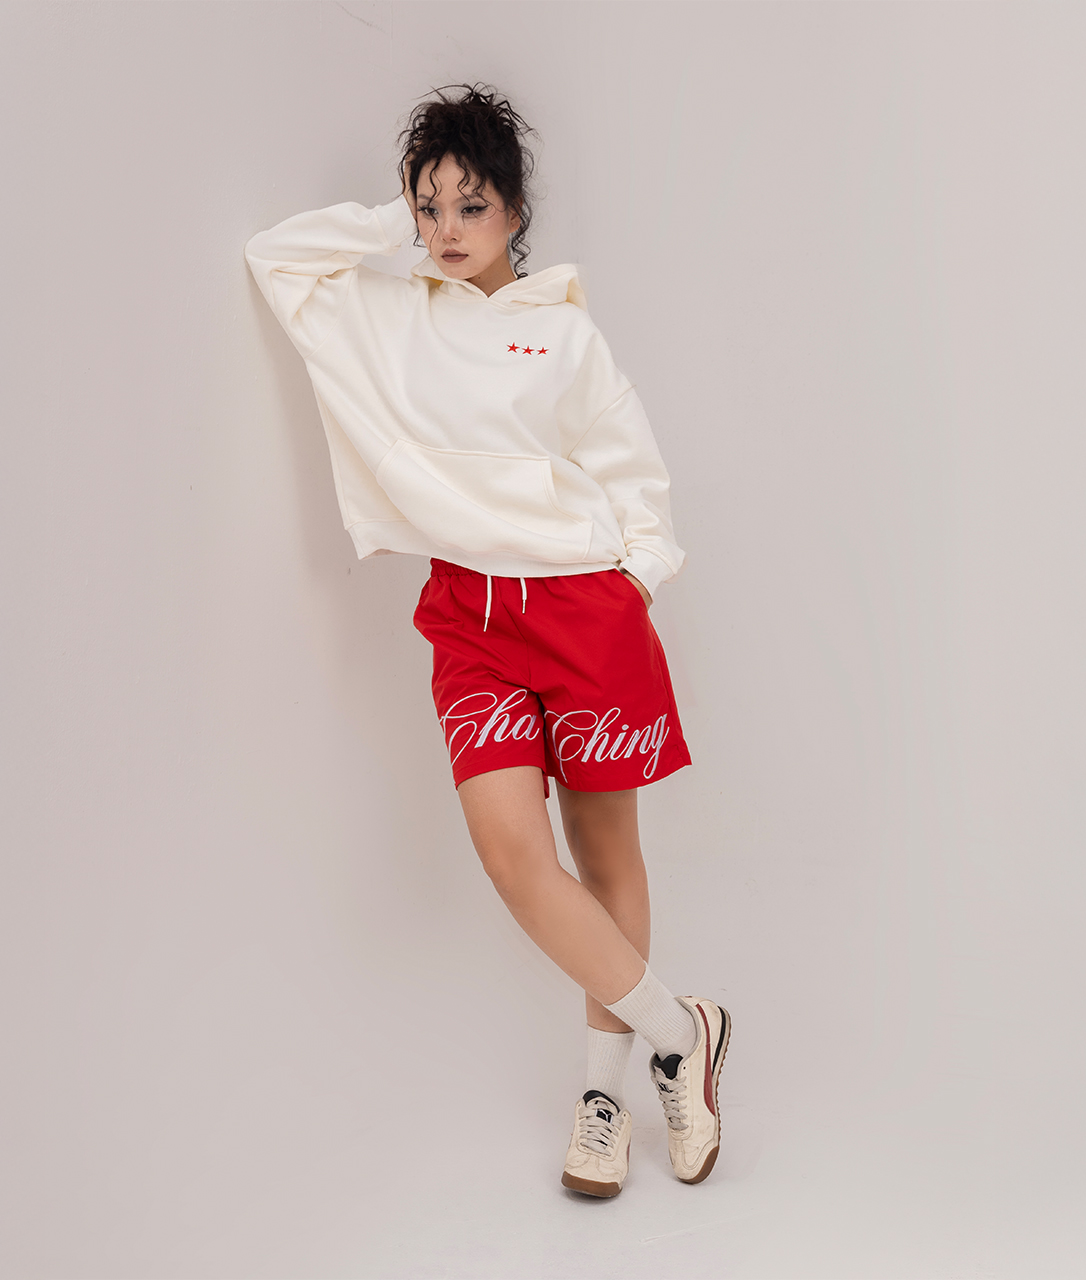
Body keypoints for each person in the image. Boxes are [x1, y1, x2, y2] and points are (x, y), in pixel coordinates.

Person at [244, 82, 729, 1198]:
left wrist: (630, 582)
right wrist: (393, 221)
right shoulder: (389, 310)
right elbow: (276, 259)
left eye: (472, 204)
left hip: (582, 608)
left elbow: (634, 475)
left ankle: (603, 1095)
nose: (448, 228)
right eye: (431, 206)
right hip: (469, 615)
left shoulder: (563, 334)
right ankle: (683, 1032)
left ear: (516, 208)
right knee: (514, 855)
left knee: (604, 855)